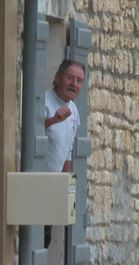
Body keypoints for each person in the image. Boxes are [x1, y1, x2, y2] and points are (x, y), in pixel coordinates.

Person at [44, 59, 85, 248]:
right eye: (70, 78)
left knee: (46, 237)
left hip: (53, 186)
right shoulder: (43, 101)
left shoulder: (74, 110)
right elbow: (25, 133)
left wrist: (67, 184)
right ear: (57, 78)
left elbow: (68, 148)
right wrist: (53, 120)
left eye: (79, 80)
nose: (74, 84)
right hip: (34, 182)